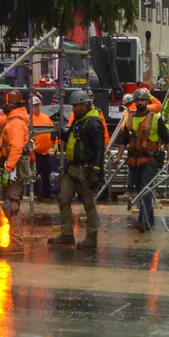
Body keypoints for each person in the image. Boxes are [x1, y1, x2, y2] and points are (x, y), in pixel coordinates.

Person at [50, 88, 105, 250]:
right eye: (73, 106)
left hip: (86, 170)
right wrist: (62, 134)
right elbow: (75, 138)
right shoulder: (80, 120)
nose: (74, 109)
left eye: (77, 106)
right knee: (63, 198)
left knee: (88, 204)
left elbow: (100, 148)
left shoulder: (93, 122)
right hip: (72, 168)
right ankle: (67, 234)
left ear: (86, 105)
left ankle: (92, 237)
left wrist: (96, 171)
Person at [115, 86, 169, 232]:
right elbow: (123, 139)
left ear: (147, 101)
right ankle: (148, 219)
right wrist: (118, 157)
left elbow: (167, 139)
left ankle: (143, 221)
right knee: (139, 190)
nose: (140, 102)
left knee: (145, 191)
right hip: (133, 161)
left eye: (143, 100)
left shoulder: (156, 119)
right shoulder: (130, 118)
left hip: (149, 161)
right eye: (138, 100)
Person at [0, 89, 32, 220]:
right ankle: (15, 239)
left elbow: (16, 148)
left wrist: (8, 169)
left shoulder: (15, 123)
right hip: (14, 167)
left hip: (14, 169)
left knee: (11, 206)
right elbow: (1, 122)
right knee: (11, 203)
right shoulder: (14, 119)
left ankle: (16, 240)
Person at [31, 95, 56, 200]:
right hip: (35, 152)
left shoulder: (46, 118)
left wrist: (54, 144)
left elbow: (52, 131)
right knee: (34, 175)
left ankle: (47, 193)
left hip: (46, 153)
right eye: (35, 106)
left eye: (38, 105)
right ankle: (36, 193)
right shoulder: (29, 119)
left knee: (46, 175)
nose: (37, 108)